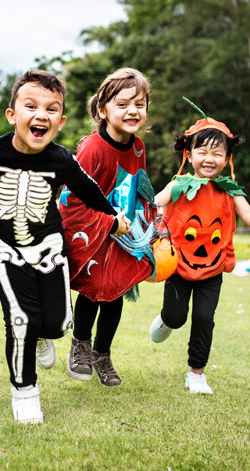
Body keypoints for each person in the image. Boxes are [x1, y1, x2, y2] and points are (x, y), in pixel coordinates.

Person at [0, 69, 131, 424]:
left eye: (52, 109)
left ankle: (44, 335)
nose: (41, 115)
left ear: (61, 120)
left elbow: (90, 192)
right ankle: (24, 391)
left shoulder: (61, 159)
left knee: (55, 323)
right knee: (21, 319)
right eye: (31, 106)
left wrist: (113, 217)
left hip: (50, 247)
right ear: (12, 115)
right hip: (5, 249)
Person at [149, 104, 250, 395]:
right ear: (189, 155)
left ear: (227, 158)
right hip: (178, 264)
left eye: (217, 153)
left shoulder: (230, 190)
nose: (209, 159)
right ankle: (167, 320)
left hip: (213, 267)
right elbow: (155, 203)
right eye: (202, 151)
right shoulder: (178, 184)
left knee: (205, 318)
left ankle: (196, 374)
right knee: (177, 316)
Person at [58, 68, 156, 387]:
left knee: (116, 294)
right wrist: (107, 223)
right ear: (103, 109)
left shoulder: (138, 147)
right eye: (123, 104)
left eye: (139, 104)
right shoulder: (92, 149)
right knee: (94, 290)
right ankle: (81, 346)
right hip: (94, 232)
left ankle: (103, 354)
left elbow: (137, 186)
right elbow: (74, 198)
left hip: (123, 235)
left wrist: (149, 223)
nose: (132, 111)